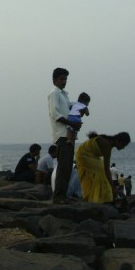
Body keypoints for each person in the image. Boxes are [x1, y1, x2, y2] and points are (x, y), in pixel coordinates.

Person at [48, 67, 81, 204]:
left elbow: (69, 109)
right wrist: (71, 123)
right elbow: (55, 114)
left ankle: (63, 195)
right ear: (54, 80)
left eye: (65, 79)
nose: (64, 81)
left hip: (69, 134)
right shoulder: (54, 93)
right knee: (63, 166)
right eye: (61, 79)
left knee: (67, 167)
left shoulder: (64, 94)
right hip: (62, 135)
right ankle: (59, 196)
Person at [75, 132, 131, 203]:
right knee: (101, 174)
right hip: (83, 154)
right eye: (123, 145)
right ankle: (98, 199)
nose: (123, 148)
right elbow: (106, 169)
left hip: (90, 155)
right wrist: (113, 187)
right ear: (118, 141)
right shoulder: (107, 145)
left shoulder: (108, 143)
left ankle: (99, 198)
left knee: (101, 174)